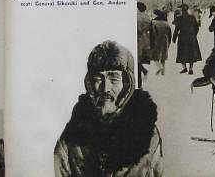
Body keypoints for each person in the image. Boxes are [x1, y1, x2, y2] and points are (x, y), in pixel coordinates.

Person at [54, 41, 163, 177]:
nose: (105, 88)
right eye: (98, 78)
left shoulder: (149, 136)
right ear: (90, 84)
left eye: (114, 79)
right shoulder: (71, 139)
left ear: (127, 84)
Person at [172, 4, 202, 74]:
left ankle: (184, 68)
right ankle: (190, 69)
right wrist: (194, 34)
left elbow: (176, 29)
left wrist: (174, 38)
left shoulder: (179, 18)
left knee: (182, 53)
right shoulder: (192, 17)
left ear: (181, 10)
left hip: (182, 37)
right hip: (191, 37)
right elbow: (196, 27)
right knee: (191, 53)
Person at [150, 9, 172, 75]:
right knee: (163, 57)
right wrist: (169, 43)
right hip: (165, 40)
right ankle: (163, 72)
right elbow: (169, 34)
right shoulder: (166, 23)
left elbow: (151, 34)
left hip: (156, 40)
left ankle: (159, 67)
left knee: (155, 57)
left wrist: (151, 43)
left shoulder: (153, 22)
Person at [137, 2, 152, 87]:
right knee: (138, 61)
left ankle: (139, 85)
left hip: (138, 40)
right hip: (145, 40)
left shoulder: (137, 17)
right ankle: (143, 72)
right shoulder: (147, 17)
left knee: (135, 61)